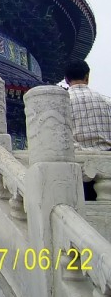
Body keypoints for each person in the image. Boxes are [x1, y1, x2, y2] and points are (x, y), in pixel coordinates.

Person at [65, 60, 111, 200]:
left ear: (66, 79)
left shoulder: (61, 104)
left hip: (76, 171)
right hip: (107, 172)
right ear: (87, 77)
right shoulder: (107, 102)